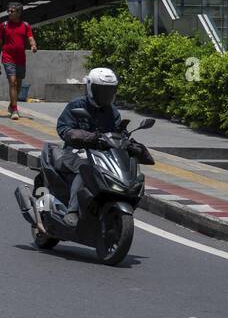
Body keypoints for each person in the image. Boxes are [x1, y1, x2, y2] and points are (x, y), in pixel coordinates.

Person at [54, 67, 153, 228]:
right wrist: (86, 137)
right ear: (90, 88)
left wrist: (130, 145)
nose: (106, 96)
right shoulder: (77, 105)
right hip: (75, 152)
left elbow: (119, 133)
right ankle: (72, 210)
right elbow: (64, 129)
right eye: (102, 91)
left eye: (109, 91)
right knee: (86, 168)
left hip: (101, 154)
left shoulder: (112, 112)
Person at [0, 2, 36, 120]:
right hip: (8, 58)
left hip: (20, 58)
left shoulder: (25, 25)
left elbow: (30, 38)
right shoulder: (4, 25)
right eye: (9, 11)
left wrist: (33, 46)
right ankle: (15, 110)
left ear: (19, 13)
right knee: (13, 82)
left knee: (19, 84)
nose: (9, 13)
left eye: (12, 11)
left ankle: (12, 104)